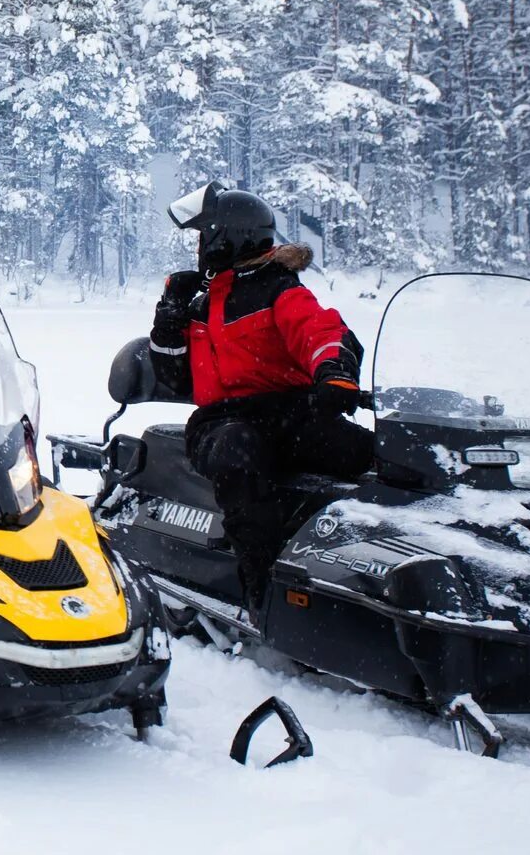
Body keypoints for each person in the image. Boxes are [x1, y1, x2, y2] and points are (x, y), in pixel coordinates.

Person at [148, 183, 373, 622]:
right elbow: (172, 375)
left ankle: (391, 555)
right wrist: (169, 317)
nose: (198, 247)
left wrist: (335, 373)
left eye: (203, 236)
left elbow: (322, 331)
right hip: (220, 420)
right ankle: (262, 584)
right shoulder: (197, 301)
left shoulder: (278, 290)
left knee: (366, 452)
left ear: (224, 237)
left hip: (290, 411)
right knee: (238, 453)